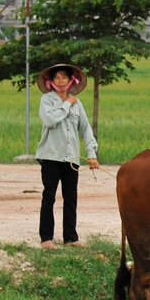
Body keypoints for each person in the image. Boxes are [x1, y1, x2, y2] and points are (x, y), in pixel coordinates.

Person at [35, 62, 99, 248]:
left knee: (71, 197)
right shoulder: (47, 100)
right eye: (57, 77)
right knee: (49, 196)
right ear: (52, 81)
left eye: (64, 77)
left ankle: (71, 237)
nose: (61, 80)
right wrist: (65, 105)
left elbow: (85, 129)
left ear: (72, 80)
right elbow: (49, 121)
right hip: (51, 156)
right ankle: (46, 238)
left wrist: (91, 153)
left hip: (71, 158)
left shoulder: (76, 103)